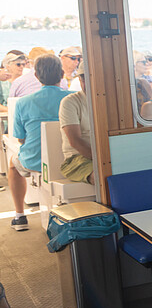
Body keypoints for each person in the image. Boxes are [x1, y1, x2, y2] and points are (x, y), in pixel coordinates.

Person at [8, 55, 70, 231]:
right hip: (69, 158)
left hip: (36, 161)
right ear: (62, 74)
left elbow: (20, 138)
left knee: (13, 165)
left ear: (36, 76)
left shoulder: (23, 102)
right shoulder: (73, 98)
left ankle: (19, 216)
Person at [59, 61, 94, 184]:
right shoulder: (70, 102)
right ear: (80, 80)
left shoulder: (111, 100)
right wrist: (103, 161)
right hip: (77, 159)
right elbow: (75, 141)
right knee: (104, 175)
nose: (88, 83)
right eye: (84, 79)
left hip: (108, 157)